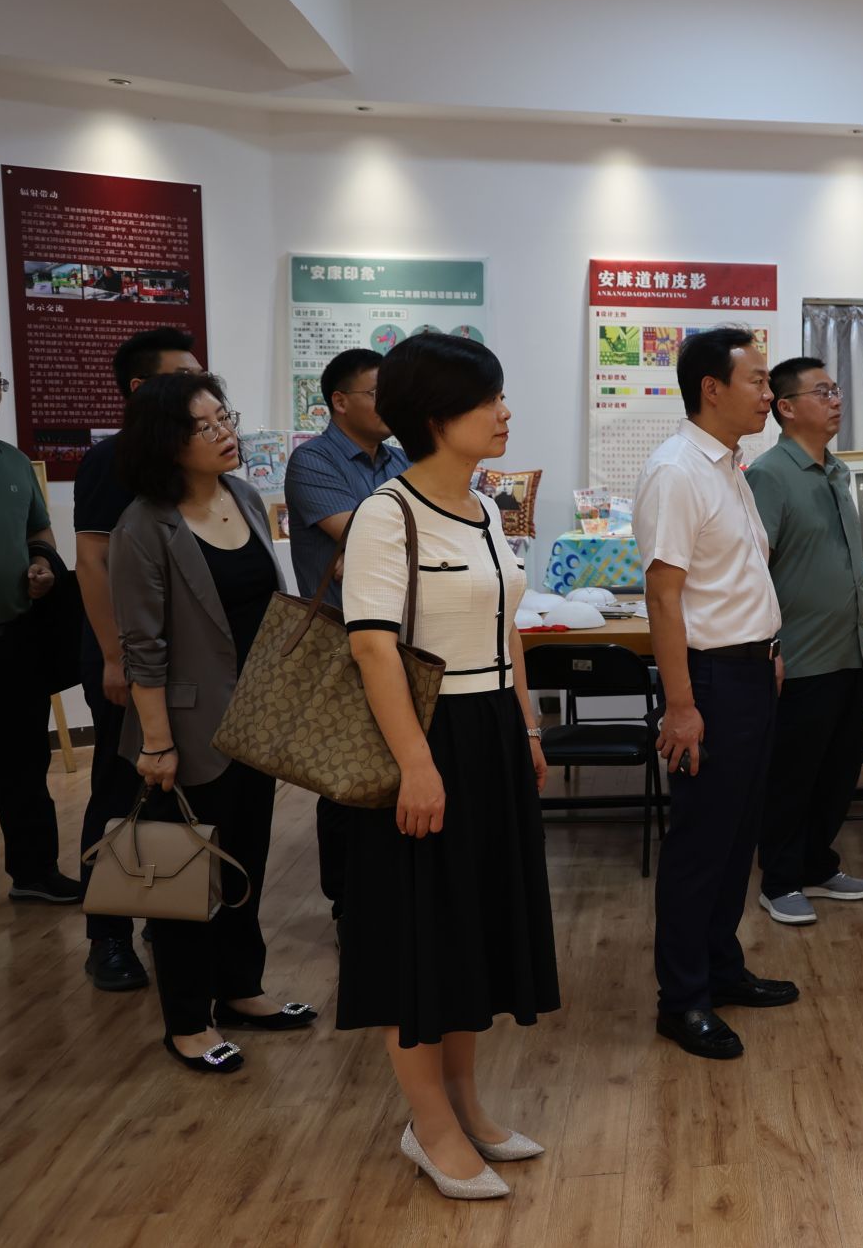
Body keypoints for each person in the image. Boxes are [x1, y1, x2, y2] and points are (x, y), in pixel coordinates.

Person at [340, 331, 559, 1199]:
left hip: (492, 731)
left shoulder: (484, 507)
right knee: (420, 937)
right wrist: (416, 764)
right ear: (436, 415)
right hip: (426, 736)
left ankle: (466, 1104)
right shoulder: (386, 513)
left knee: (473, 928)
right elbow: (372, 649)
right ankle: (428, 1124)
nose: (505, 412)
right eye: (487, 400)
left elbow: (508, 626)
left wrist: (528, 725)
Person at [109, 372, 317, 1074]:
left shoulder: (244, 496)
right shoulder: (144, 526)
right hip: (184, 728)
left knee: (245, 861)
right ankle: (187, 1020)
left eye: (225, 417)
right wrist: (157, 743)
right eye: (205, 426)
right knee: (183, 876)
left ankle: (240, 988)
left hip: (255, 719)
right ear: (166, 441)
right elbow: (143, 647)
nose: (226, 432)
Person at [634, 326, 799, 1060]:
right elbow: (663, 595)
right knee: (701, 843)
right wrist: (681, 704)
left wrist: (769, 650)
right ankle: (683, 998)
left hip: (750, 671)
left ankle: (722, 968)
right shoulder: (677, 470)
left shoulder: (728, 464)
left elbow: (737, 575)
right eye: (758, 381)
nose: (769, 393)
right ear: (712, 388)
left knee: (738, 836)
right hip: (707, 681)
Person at [74, 326, 202, 990]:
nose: (198, 387)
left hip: (185, 661)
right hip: (127, 655)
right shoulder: (112, 459)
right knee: (118, 788)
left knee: (175, 790)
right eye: (183, 376)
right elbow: (91, 561)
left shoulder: (187, 457)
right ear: (140, 388)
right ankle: (107, 935)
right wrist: (112, 656)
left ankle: (165, 910)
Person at [745, 357, 863, 927]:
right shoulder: (769, 475)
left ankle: (818, 865)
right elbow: (754, 571)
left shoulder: (836, 471)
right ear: (787, 407)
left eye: (836, 389)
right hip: (799, 658)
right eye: (822, 392)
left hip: (849, 651)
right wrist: (771, 648)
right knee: (792, 777)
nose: (836, 399)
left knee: (838, 773)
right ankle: (779, 881)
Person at [284, 348, 408, 926]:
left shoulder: (399, 458)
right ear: (339, 401)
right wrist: (371, 547)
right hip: (340, 643)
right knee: (344, 775)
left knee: (395, 768)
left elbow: (420, 535)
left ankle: (389, 894)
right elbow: (376, 538)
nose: (391, 404)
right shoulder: (313, 461)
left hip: (399, 638)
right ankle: (346, 906)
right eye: (378, 393)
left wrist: (369, 549)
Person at [0, 341, 72, 904]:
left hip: (12, 640)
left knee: (24, 767)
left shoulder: (12, 461)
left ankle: (35, 874)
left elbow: (39, 531)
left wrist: (42, 564)